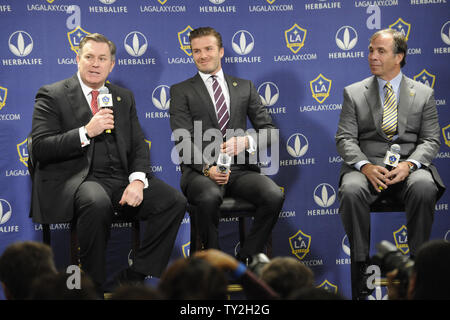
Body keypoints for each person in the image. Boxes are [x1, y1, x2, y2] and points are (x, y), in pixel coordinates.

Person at [30, 33, 187, 293]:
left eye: (102, 59)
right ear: (77, 59)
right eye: (89, 57)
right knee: (96, 200)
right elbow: (41, 147)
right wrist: (86, 131)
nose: (95, 63)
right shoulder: (52, 94)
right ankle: (93, 286)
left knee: (173, 201)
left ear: (111, 65)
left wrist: (137, 180)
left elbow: (138, 145)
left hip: (120, 179)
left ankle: (136, 273)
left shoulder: (123, 97)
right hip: (78, 180)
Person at [335, 28, 445, 299]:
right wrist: (364, 166)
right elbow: (345, 139)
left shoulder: (423, 93)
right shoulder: (353, 93)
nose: (372, 56)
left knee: (424, 186)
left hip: (408, 169)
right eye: (371, 50)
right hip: (366, 168)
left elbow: (431, 140)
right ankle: (361, 264)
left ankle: (417, 264)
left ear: (399, 57)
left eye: (380, 51)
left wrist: (410, 165)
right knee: (351, 189)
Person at [169, 27, 284, 263]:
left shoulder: (244, 87)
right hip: (200, 173)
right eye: (196, 51)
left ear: (220, 52)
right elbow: (183, 139)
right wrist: (207, 169)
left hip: (241, 171)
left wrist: (247, 141)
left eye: (208, 49)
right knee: (209, 196)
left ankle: (247, 257)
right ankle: (215, 262)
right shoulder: (181, 91)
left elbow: (270, 131)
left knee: (273, 195)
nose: (202, 55)